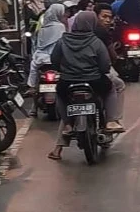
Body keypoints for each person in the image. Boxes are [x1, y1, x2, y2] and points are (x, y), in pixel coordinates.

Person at [48, 11, 116, 161]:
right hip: (94, 81)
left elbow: (54, 61)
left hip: (68, 81)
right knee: (111, 88)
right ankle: (110, 120)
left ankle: (67, 124)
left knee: (60, 94)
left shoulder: (63, 41)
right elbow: (105, 66)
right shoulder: (96, 42)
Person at [27, 4, 67, 116]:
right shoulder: (60, 27)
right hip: (56, 59)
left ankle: (32, 95)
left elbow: (37, 44)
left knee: (34, 75)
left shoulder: (42, 28)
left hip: (41, 59)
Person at [93, 3, 127, 132]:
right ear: (95, 16)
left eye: (110, 17)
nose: (107, 20)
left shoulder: (70, 36)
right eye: (104, 17)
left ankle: (59, 145)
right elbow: (110, 56)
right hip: (97, 74)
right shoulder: (101, 33)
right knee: (117, 85)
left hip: (71, 77)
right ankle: (112, 120)